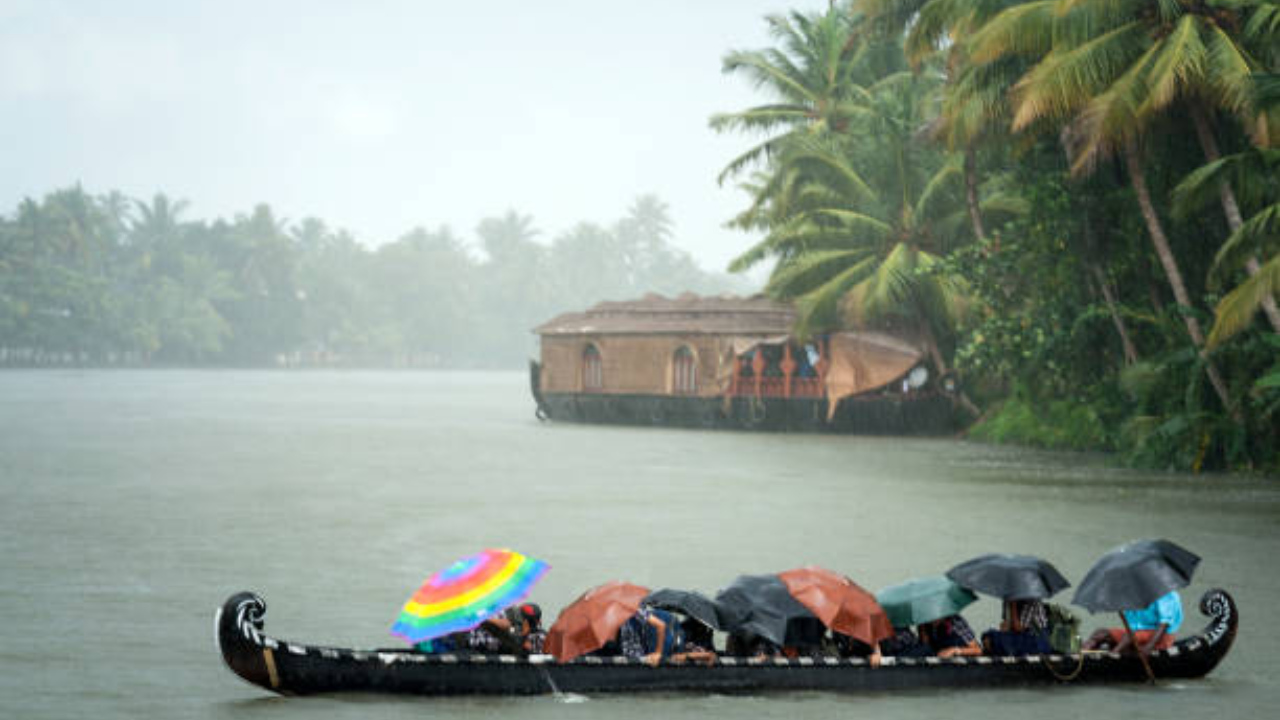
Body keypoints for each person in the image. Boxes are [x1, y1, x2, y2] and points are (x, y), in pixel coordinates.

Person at [1082, 590, 1182, 656]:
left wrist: (1149, 646)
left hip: (1161, 636)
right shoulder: (1132, 593)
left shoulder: (1166, 593)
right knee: (1100, 633)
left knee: (1131, 636)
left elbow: (1165, 623)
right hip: (1134, 635)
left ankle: (1113, 656)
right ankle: (1081, 655)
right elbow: (1132, 627)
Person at [982, 599, 1052, 656]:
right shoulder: (1007, 600)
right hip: (1018, 636)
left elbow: (1018, 628)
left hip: (1036, 638)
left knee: (999, 641)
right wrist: (1004, 626)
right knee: (989, 636)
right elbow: (1008, 624)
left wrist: (1013, 605)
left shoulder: (1033, 601)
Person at [918, 614, 982, 658]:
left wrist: (954, 650)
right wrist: (923, 630)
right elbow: (926, 646)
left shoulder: (956, 621)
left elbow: (978, 650)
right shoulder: (925, 624)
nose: (932, 620)